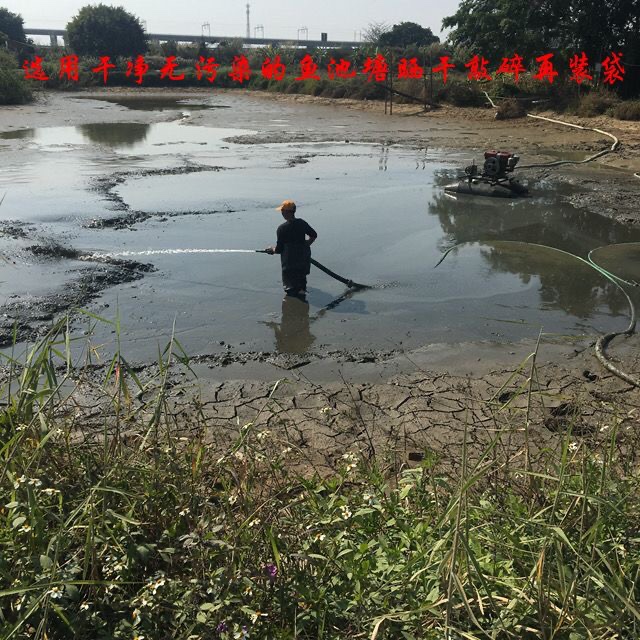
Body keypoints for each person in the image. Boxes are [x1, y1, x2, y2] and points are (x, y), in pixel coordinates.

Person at [265, 200, 317, 300]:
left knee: (291, 289)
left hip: (289, 264)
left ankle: (295, 305)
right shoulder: (302, 223)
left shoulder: (282, 229)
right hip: (302, 261)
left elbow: (279, 249)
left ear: (288, 212)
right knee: (301, 284)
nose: (281, 213)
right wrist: (307, 244)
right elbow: (314, 235)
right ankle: (302, 295)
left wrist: (271, 249)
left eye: (282, 211)